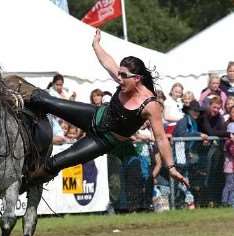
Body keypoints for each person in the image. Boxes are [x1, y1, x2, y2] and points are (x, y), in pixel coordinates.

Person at [26, 29, 188, 188]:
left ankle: (23, 184)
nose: (120, 79)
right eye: (120, 74)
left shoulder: (150, 105)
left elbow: (160, 138)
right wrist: (96, 45)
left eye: (124, 76)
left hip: (103, 141)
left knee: (55, 163)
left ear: (137, 78)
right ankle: (11, 94)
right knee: (45, 100)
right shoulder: (124, 79)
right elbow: (107, 62)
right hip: (93, 115)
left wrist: (171, 168)